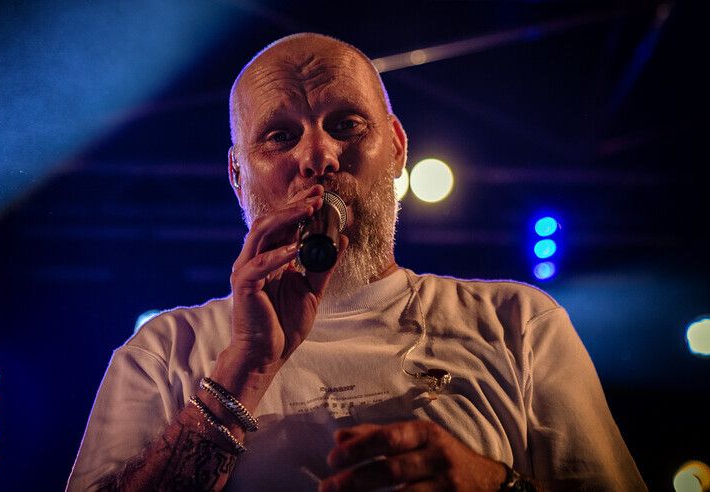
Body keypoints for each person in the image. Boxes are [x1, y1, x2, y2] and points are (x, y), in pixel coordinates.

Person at [68, 33, 646, 491]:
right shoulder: (164, 352)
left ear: (396, 148)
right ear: (237, 176)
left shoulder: (517, 323)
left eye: (345, 125)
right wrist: (243, 368)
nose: (317, 156)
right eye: (278, 135)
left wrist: (498, 486)